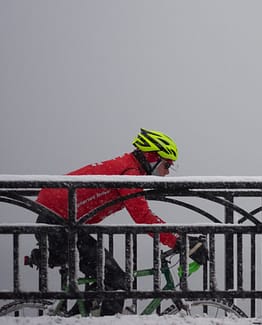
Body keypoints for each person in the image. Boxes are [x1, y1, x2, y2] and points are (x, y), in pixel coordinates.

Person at [33, 128, 206, 315]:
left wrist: (180, 240)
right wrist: (180, 242)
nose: (167, 173)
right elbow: (143, 217)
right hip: (58, 224)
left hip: (60, 222)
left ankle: (80, 316)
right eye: (166, 165)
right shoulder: (129, 173)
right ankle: (100, 318)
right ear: (151, 157)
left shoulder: (128, 168)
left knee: (102, 276)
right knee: (117, 280)